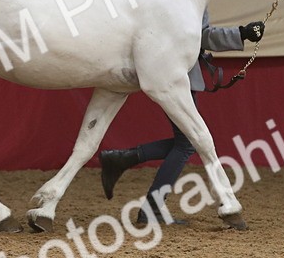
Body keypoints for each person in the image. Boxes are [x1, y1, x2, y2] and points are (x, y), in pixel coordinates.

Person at [98, 17, 266, 225]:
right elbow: (203, 35)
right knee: (188, 143)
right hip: (176, 73)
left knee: (185, 142)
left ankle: (124, 160)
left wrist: (240, 34)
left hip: (174, 70)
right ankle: (149, 205)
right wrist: (241, 34)